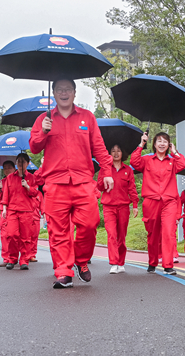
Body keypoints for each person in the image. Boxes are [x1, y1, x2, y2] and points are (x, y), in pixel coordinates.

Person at [30, 78, 114, 289]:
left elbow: (99, 148)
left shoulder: (87, 117)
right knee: (58, 231)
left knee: (90, 223)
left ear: (75, 93)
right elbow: (34, 147)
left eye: (68, 89)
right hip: (55, 183)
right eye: (59, 90)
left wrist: (107, 172)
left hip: (83, 181)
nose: (64, 93)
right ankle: (63, 271)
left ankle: (81, 260)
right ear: (54, 94)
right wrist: (44, 131)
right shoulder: (44, 118)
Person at [131, 132, 185, 275]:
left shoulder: (173, 161)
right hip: (151, 202)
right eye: (159, 141)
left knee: (169, 233)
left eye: (165, 141)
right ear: (154, 144)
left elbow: (184, 164)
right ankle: (152, 262)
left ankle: (168, 265)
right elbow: (134, 161)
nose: (162, 144)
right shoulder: (147, 160)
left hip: (169, 202)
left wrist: (175, 152)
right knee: (153, 235)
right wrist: (141, 144)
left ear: (168, 144)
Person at [96, 144, 139, 274]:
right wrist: (104, 177)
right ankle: (113, 262)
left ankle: (121, 262)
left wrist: (135, 205)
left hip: (124, 207)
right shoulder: (105, 169)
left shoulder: (128, 170)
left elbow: (132, 189)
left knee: (121, 236)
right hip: (109, 206)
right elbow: (99, 187)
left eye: (118, 151)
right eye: (113, 151)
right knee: (111, 234)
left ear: (122, 153)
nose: (115, 153)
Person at [1, 152, 40, 270]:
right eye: (18, 161)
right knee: (12, 234)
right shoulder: (10, 178)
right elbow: (6, 195)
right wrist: (4, 208)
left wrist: (27, 187)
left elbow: (35, 193)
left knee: (26, 237)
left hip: (27, 211)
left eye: (23, 162)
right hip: (12, 210)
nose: (20, 164)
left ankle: (24, 259)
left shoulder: (32, 178)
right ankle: (12, 258)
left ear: (28, 164)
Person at [0, 160, 16, 267]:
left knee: (16, 235)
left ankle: (17, 256)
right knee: (4, 235)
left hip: (16, 210)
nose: (7, 170)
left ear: (14, 169)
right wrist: (0, 190)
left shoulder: (19, 180)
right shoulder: (2, 182)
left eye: (9, 168)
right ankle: (6, 258)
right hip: (4, 211)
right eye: (5, 168)